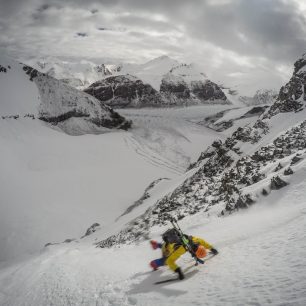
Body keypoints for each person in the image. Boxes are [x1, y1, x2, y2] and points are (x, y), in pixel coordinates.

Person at [150, 228, 218, 280]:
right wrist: (178, 271)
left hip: (169, 243)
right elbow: (170, 261)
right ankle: (154, 263)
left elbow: (203, 242)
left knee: (165, 246)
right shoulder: (181, 249)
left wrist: (212, 249)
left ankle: (157, 245)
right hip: (167, 249)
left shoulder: (195, 240)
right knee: (165, 261)